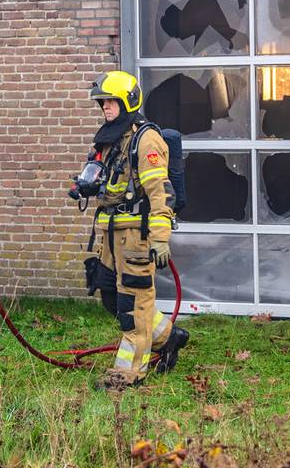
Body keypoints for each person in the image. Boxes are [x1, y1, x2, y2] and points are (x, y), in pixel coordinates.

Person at [84, 70, 189, 389]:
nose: (105, 108)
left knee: (133, 307)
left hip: (136, 237)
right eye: (102, 103)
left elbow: (161, 192)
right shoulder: (112, 139)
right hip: (110, 236)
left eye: (110, 102)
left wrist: (160, 240)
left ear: (128, 101)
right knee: (110, 296)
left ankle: (127, 373)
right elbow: (105, 179)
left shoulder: (147, 139)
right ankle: (169, 338)